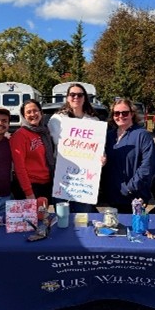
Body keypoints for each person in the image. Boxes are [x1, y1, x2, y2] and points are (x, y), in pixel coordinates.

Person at [101, 98, 155, 213]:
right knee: (115, 228)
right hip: (112, 196)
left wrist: (130, 187)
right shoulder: (109, 136)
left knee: (135, 228)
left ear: (132, 114)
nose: (121, 116)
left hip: (134, 197)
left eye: (125, 113)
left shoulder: (142, 135)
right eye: (116, 113)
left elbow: (150, 164)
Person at [48, 83, 99, 213]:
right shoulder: (57, 119)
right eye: (72, 94)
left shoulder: (94, 121)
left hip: (85, 180)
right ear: (67, 97)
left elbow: (99, 148)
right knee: (62, 216)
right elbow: (49, 144)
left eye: (80, 95)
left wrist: (101, 158)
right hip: (63, 176)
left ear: (85, 98)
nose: (76, 97)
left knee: (83, 217)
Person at [9, 99, 55, 202]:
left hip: (46, 184)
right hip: (30, 187)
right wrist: (28, 192)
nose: (33, 114)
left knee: (43, 216)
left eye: (35, 110)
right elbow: (19, 167)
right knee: (32, 218)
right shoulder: (20, 135)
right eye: (28, 112)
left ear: (41, 113)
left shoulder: (45, 132)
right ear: (24, 116)